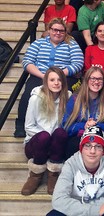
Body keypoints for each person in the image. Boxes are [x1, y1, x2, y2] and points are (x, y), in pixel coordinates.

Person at [14, 18, 84, 138]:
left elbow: (78, 63)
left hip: (64, 76)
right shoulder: (38, 43)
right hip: (40, 74)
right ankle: (21, 124)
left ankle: (67, 125)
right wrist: (43, 76)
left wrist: (59, 75)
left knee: (71, 96)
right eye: (55, 30)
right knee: (28, 93)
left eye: (61, 31)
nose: (58, 33)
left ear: (65, 32)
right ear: (49, 30)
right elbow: (27, 62)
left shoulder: (71, 44)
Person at [47, 126, 104, 216]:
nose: (92, 151)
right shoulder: (71, 164)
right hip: (78, 212)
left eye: (98, 146)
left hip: (101, 212)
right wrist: (92, 210)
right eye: (87, 146)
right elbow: (58, 200)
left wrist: (94, 210)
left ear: (103, 151)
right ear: (81, 149)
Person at [21, 67, 71, 196]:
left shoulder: (68, 98)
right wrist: (48, 136)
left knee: (61, 133)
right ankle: (35, 175)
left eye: (59, 80)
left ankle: (53, 174)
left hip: (54, 145)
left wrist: (53, 137)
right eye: (52, 80)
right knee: (43, 136)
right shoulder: (36, 98)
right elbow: (29, 126)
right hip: (36, 144)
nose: (56, 83)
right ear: (46, 82)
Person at [62, 67, 104, 159]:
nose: (96, 82)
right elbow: (66, 125)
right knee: (73, 144)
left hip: (100, 138)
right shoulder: (74, 99)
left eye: (99, 79)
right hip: (79, 137)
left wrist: (96, 126)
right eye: (93, 78)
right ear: (86, 80)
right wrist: (84, 126)